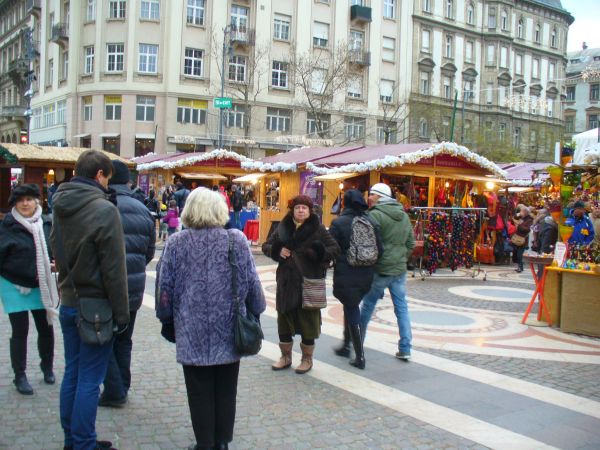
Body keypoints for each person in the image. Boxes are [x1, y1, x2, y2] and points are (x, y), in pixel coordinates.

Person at [156, 188, 265, 450]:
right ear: (220, 210)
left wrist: (166, 319)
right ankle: (222, 442)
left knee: (199, 390)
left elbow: (164, 291)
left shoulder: (176, 243)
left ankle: (204, 443)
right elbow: (253, 284)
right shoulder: (236, 240)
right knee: (227, 389)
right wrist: (256, 309)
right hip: (228, 329)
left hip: (191, 329)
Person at [51, 149, 129, 450]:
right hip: (96, 306)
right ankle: (83, 442)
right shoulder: (103, 209)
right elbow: (114, 269)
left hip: (69, 300)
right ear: (99, 175)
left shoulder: (60, 203)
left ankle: (73, 438)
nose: (108, 185)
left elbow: (54, 247)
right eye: (107, 179)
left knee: (73, 372)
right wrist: (122, 314)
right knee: (88, 379)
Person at [262, 195, 340, 374]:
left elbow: (335, 249)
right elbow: (267, 245)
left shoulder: (318, 229)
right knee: (284, 319)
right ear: (292, 210)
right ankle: (285, 356)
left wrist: (318, 252)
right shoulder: (282, 227)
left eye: (304, 208)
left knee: (308, 323)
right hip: (286, 282)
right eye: (297, 208)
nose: (301, 211)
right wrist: (276, 250)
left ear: (309, 210)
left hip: (308, 282)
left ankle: (307, 359)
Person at [99, 160, 156, 408]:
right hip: (133, 287)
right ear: (128, 181)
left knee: (103, 340)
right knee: (124, 339)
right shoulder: (142, 208)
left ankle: (115, 390)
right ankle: (123, 384)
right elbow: (149, 252)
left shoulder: (101, 206)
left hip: (104, 287)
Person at [0, 184, 58, 395]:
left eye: (29, 199)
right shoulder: (7, 225)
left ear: (37, 201)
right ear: (15, 203)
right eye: (20, 200)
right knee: (20, 330)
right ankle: (20, 375)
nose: (25, 203)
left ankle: (47, 367)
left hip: (39, 284)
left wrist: (53, 262)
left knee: (46, 327)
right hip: (13, 284)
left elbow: (54, 249)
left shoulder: (47, 223)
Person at [359, 183, 415, 361]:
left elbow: (368, 244)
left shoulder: (374, 215)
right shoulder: (403, 216)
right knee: (401, 308)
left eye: (372, 194)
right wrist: (400, 258)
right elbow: (410, 244)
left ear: (380, 197)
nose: (369, 197)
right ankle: (405, 347)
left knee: (367, 306)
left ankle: (357, 341)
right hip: (399, 269)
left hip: (381, 270)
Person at [328, 189, 379, 369]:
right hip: (366, 274)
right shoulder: (371, 221)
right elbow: (379, 248)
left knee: (351, 309)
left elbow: (331, 248)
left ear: (346, 203)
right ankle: (346, 345)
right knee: (350, 306)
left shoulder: (339, 222)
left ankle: (360, 356)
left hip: (347, 272)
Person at [511, 204, 533, 273]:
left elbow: (527, 229)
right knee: (517, 253)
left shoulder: (529, 219)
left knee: (520, 254)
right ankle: (519, 267)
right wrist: (518, 215)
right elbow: (513, 218)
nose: (521, 213)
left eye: (522, 212)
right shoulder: (522, 217)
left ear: (526, 212)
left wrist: (519, 225)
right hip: (518, 237)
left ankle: (520, 267)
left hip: (523, 239)